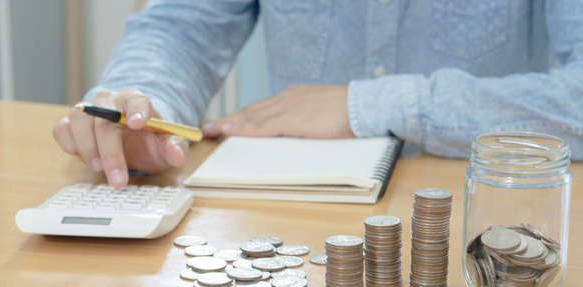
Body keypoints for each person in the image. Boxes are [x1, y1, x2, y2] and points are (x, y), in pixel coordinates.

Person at [53, 1, 583, 188]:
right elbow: (182, 27)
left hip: (482, 211)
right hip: (291, 223)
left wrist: (366, 106)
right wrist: (146, 104)